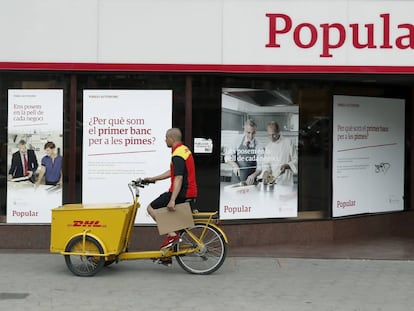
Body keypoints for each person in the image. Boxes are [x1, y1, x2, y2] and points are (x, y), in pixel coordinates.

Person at [145, 128, 198, 254]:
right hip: (189, 191)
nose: (164, 140)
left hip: (182, 192)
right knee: (170, 220)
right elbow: (173, 172)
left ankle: (172, 236)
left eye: (166, 138)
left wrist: (172, 200)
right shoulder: (183, 150)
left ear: (171, 139)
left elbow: (178, 177)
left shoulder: (178, 155)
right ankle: (168, 253)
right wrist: (154, 179)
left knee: (150, 208)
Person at [224, 119, 262, 185]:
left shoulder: (259, 145)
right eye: (248, 132)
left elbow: (260, 167)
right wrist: (234, 165)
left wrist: (254, 175)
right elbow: (227, 157)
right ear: (244, 130)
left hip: (251, 181)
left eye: (253, 133)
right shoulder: (237, 140)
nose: (251, 136)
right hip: (236, 180)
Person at [261, 121, 297, 185]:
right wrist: (266, 171)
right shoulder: (268, 147)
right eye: (269, 135)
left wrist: (288, 165)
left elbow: (296, 160)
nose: (271, 137)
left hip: (286, 182)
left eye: (273, 134)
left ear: (278, 132)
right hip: (273, 182)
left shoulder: (288, 142)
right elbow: (266, 164)